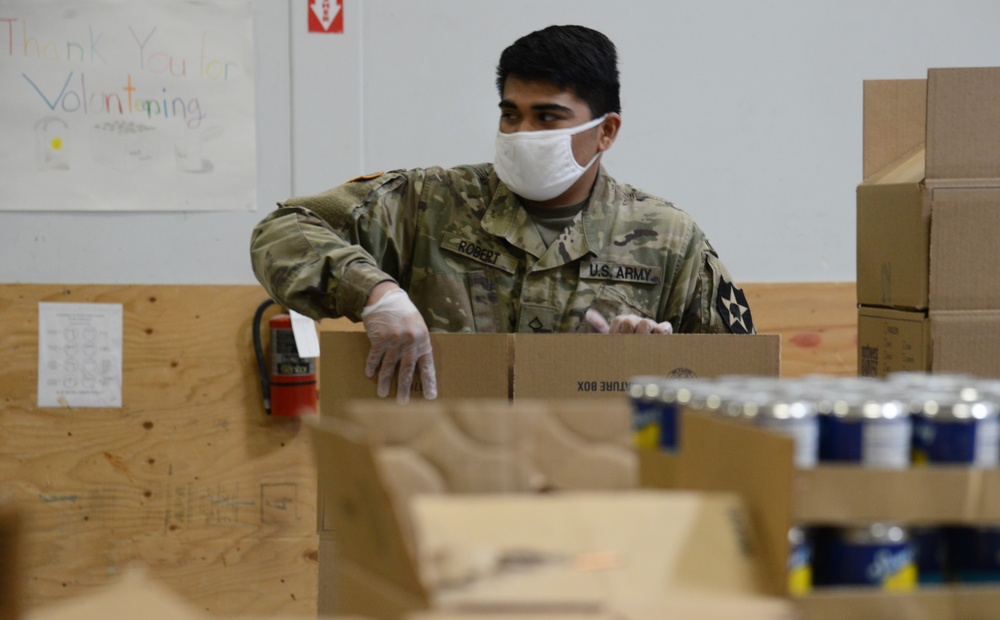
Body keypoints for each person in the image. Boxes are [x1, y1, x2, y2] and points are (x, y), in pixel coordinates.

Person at [250, 24, 755, 403]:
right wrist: (375, 294)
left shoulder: (666, 239)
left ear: (606, 131)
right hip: (439, 484)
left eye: (547, 117)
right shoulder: (430, 204)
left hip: (596, 498)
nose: (521, 133)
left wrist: (653, 372)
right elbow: (282, 231)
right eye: (510, 114)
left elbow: (738, 391)